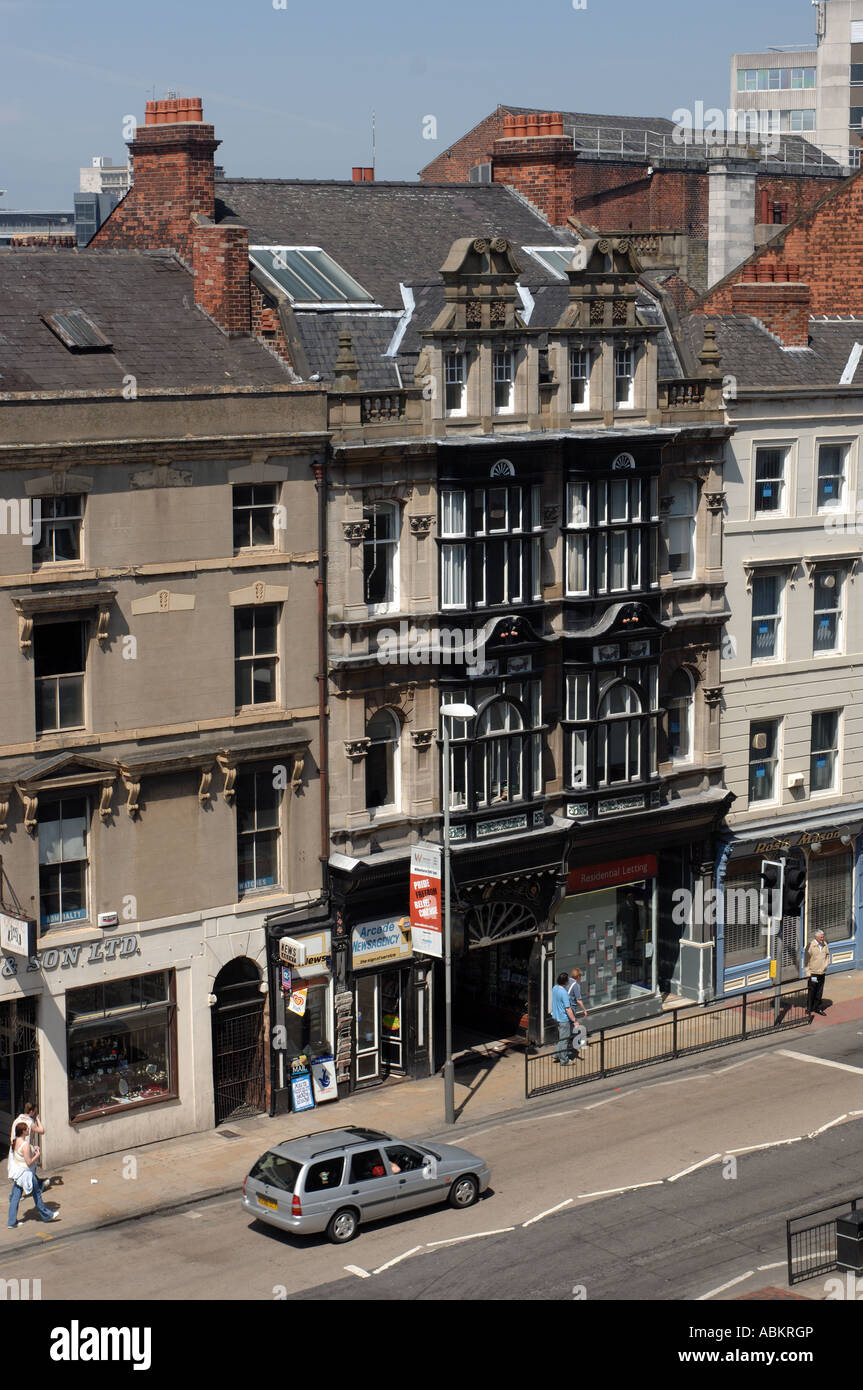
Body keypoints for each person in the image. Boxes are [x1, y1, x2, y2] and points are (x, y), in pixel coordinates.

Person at [7, 1123, 59, 1227]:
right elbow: (29, 1162)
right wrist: (37, 1154)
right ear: (23, 1132)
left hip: (18, 1174)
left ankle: (11, 1222)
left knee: (15, 1198)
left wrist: (32, 1148)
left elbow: (21, 1154)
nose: (28, 1130)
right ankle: (47, 1215)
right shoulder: (25, 1144)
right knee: (37, 1194)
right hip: (26, 1174)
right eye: (27, 1129)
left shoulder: (15, 1141)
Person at [9, 1101, 49, 1194]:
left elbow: (11, 1136)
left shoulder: (17, 1120)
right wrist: (37, 1119)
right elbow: (42, 1130)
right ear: (31, 1112)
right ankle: (38, 1186)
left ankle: (37, 1185)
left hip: (15, 1149)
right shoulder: (30, 1122)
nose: (35, 1113)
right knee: (27, 1170)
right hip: (24, 1149)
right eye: (34, 1111)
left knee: (22, 1171)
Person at [551, 972, 578, 1065]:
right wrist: (574, 1020)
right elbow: (568, 1009)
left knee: (561, 1038)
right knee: (564, 1040)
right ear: (566, 982)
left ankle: (556, 1055)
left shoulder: (554, 988)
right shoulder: (564, 993)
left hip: (556, 1017)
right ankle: (564, 1060)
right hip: (563, 1019)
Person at [805, 929, 831, 1017]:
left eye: (823, 937)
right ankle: (809, 1008)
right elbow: (806, 960)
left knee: (819, 991)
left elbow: (828, 955)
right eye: (821, 937)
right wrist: (808, 973)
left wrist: (826, 963)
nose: (822, 938)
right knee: (812, 990)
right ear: (816, 937)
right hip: (813, 973)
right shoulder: (810, 946)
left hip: (822, 972)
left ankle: (817, 1008)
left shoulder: (825, 944)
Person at [567, 969, 589, 1057]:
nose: (581, 978)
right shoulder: (576, 985)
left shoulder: (567, 980)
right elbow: (578, 1001)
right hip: (570, 1010)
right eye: (581, 976)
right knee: (573, 1027)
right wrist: (584, 1010)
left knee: (571, 1028)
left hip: (563, 1009)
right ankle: (564, 1051)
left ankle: (578, 1043)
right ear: (578, 976)